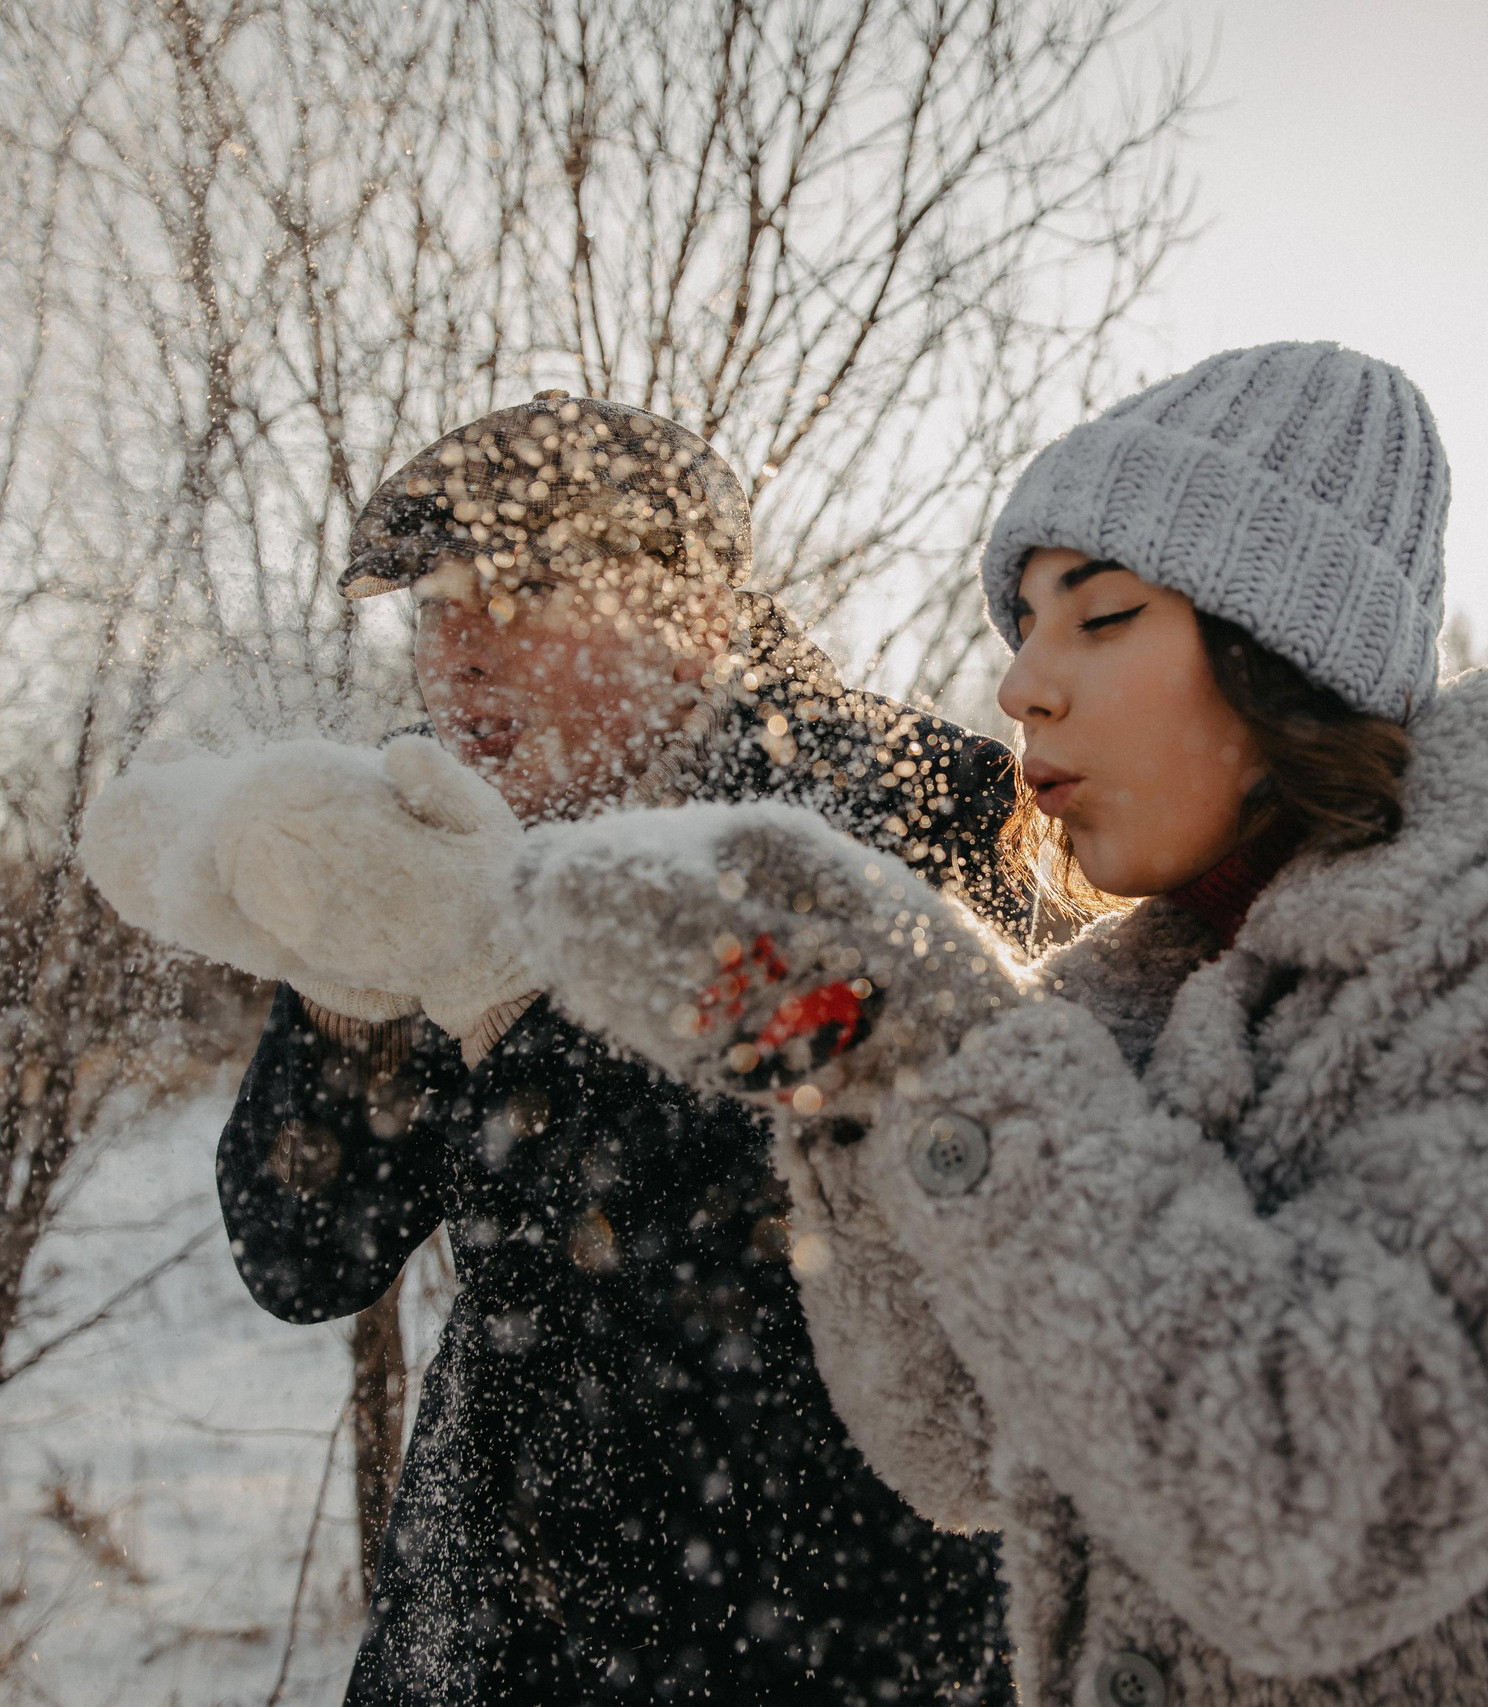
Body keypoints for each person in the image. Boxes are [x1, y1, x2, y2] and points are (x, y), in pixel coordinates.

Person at [505, 344, 1488, 1705]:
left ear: (1283, 655)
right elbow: (956, 1440)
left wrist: (941, 1048)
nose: (1022, 686)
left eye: (1098, 620)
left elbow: (1318, 1521)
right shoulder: (1117, 998)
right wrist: (845, 1066)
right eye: (1022, 627)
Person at [78, 395, 1020, 1703]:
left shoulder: (911, 818)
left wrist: (513, 1009)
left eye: (509, 601)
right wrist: (348, 990)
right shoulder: (421, 829)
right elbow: (302, 1256)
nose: (456, 660)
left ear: (683, 617)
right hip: (490, 1630)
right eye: (432, 612)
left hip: (834, 1629)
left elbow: (879, 1256)